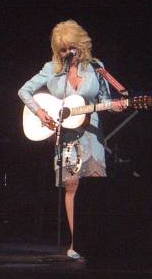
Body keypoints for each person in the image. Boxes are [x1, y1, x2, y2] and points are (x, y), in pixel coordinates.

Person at [18, 19, 126, 260]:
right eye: (62, 49)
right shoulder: (51, 68)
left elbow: (105, 100)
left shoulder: (96, 67)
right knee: (72, 185)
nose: (67, 53)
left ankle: (96, 240)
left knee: (95, 184)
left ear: (81, 45)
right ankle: (76, 242)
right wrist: (40, 112)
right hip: (66, 134)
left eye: (71, 48)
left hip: (91, 132)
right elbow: (23, 91)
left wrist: (115, 106)